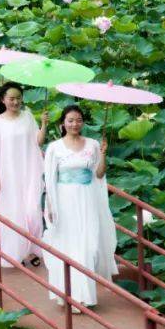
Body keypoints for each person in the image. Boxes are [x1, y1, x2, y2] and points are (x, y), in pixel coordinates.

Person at [42, 104, 118, 312]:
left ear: (83, 123)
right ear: (63, 124)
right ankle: (69, 296)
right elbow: (50, 179)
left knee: (89, 247)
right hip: (64, 200)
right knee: (68, 246)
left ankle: (85, 295)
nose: (75, 124)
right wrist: (50, 205)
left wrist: (103, 154)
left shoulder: (93, 144)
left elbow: (100, 175)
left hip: (87, 199)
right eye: (70, 120)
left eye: (78, 120)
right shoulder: (55, 148)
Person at [0, 83, 47, 268]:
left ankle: (31, 249)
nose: (15, 102)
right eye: (11, 99)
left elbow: (38, 141)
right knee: (12, 212)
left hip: (28, 171)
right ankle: (14, 251)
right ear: (3, 100)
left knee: (32, 210)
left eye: (18, 98)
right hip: (8, 173)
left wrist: (43, 124)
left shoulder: (27, 117)